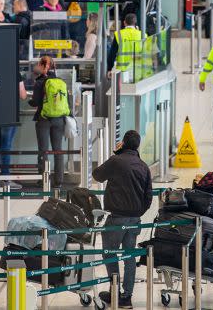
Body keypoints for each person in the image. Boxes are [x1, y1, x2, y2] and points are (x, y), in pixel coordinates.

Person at [93, 130, 153, 309]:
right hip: (135, 219)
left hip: (116, 218)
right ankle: (126, 297)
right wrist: (138, 212)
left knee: (109, 253)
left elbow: (97, 175)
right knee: (129, 257)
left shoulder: (116, 161)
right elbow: (148, 196)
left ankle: (114, 291)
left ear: (123, 143)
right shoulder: (143, 166)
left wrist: (116, 153)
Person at [29, 55, 71, 187]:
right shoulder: (60, 82)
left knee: (43, 150)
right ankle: (59, 180)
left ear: (42, 66)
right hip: (59, 120)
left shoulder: (40, 82)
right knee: (57, 149)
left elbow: (35, 101)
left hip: (44, 120)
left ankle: (44, 179)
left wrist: (30, 101)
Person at [109, 14, 142, 79]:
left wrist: (109, 69)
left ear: (124, 22)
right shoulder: (142, 34)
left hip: (122, 71)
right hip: (137, 70)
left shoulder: (119, 34)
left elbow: (112, 54)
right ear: (135, 23)